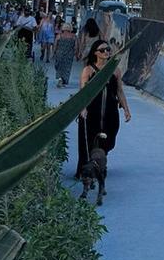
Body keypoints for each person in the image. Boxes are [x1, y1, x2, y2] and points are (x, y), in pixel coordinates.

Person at [76, 40, 131, 179]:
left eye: (107, 49)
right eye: (102, 50)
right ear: (95, 53)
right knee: (88, 141)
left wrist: (126, 109)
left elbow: (119, 91)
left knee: (109, 139)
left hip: (110, 111)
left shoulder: (115, 70)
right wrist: (83, 109)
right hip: (92, 111)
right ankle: (85, 170)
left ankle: (99, 164)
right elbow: (82, 93)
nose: (106, 52)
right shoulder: (88, 70)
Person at [53, 22, 77, 88]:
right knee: (67, 68)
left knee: (59, 67)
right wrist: (76, 53)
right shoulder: (74, 36)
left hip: (59, 53)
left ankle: (60, 79)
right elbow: (76, 47)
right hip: (69, 55)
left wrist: (54, 52)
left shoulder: (59, 36)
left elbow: (55, 45)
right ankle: (63, 81)